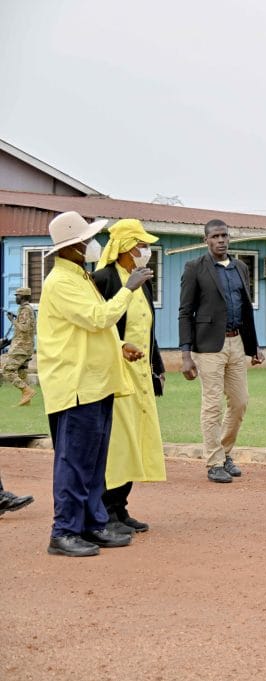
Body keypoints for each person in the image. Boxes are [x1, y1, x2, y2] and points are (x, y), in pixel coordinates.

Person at [37, 211, 153, 556]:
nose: (92, 245)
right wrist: (128, 289)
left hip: (96, 381)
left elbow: (89, 330)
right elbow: (98, 318)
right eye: (86, 240)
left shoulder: (80, 277)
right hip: (76, 384)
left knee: (93, 463)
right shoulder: (61, 281)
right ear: (70, 246)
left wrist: (120, 345)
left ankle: (92, 524)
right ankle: (64, 531)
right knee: (74, 462)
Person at [93, 219, 166, 533]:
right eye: (141, 245)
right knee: (117, 443)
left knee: (136, 438)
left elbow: (147, 327)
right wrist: (121, 347)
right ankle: (105, 510)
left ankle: (121, 507)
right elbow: (98, 326)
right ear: (124, 247)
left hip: (140, 373)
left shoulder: (142, 279)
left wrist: (157, 366)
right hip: (116, 373)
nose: (145, 251)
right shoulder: (104, 278)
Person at [178, 219, 264, 483]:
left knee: (240, 402)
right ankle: (214, 462)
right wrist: (185, 355)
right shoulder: (195, 268)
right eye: (215, 236)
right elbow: (185, 312)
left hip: (236, 342)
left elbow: (245, 308)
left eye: (224, 235)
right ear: (206, 240)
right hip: (208, 348)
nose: (221, 240)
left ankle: (225, 452)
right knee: (212, 404)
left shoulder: (240, 267)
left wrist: (253, 346)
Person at [2, 286, 37, 406]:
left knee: (8, 370)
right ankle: (26, 400)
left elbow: (24, 328)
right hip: (25, 345)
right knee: (21, 371)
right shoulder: (26, 309)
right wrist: (9, 341)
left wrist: (12, 320)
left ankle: (27, 391)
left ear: (22, 297)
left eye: (17, 296)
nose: (15, 298)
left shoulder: (25, 310)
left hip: (21, 347)